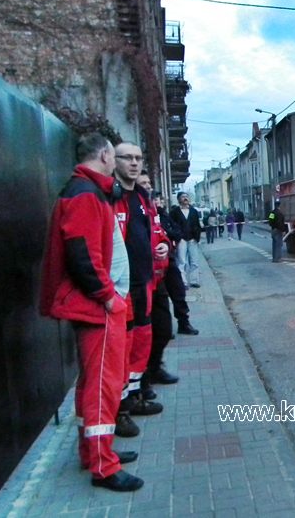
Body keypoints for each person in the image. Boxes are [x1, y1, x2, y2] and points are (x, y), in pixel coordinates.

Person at [39, 132, 143, 492]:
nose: (118, 164)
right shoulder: (85, 195)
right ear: (103, 155)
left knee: (94, 384)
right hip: (97, 308)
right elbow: (83, 254)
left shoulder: (87, 191)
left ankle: (96, 451)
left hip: (97, 306)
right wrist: (107, 296)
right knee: (103, 385)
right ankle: (103, 465)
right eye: (115, 157)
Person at [112, 142, 166, 438]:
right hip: (122, 287)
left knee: (141, 343)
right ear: (114, 160)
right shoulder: (112, 196)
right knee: (124, 349)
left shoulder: (143, 197)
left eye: (137, 158)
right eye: (127, 158)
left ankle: (134, 395)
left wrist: (162, 246)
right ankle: (120, 410)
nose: (133, 163)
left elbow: (154, 231)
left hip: (145, 280)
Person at [135, 173, 181, 398]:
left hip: (158, 278)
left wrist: (164, 245)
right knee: (142, 335)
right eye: (143, 183)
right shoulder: (129, 206)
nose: (147, 187)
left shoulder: (151, 209)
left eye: (149, 184)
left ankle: (154, 368)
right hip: (141, 283)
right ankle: (141, 381)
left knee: (163, 329)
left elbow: (161, 235)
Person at [153, 192, 199, 336]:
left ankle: (184, 323)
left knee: (178, 292)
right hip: (152, 263)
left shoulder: (165, 215)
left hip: (169, 258)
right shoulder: (146, 215)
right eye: (155, 199)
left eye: (159, 199)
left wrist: (169, 238)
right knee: (159, 298)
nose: (158, 202)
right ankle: (163, 329)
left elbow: (175, 230)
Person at [170, 192, 202, 288]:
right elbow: (172, 225)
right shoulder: (174, 212)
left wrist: (197, 237)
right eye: (183, 197)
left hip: (193, 239)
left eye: (186, 196)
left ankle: (194, 280)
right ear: (179, 199)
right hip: (181, 240)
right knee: (181, 262)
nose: (185, 198)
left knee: (194, 261)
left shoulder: (194, 211)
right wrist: (176, 237)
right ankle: (183, 282)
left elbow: (197, 225)